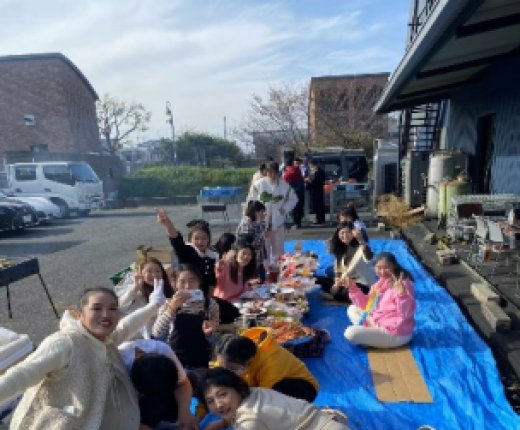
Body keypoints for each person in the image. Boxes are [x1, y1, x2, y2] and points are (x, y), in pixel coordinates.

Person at [0, 285, 165, 430]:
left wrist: (154, 305)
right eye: (97, 308)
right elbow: (23, 374)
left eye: (112, 308)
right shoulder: (65, 343)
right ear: (79, 315)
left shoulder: (105, 340)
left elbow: (126, 327)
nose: (106, 314)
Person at [199, 368, 349, 430]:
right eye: (210, 401)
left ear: (237, 389)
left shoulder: (248, 422)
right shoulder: (255, 392)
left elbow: (252, 419)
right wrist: (224, 422)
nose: (218, 405)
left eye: (222, 394)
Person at [214, 328, 318, 402]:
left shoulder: (271, 362)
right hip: (262, 382)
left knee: (265, 401)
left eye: (232, 368)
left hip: (301, 387)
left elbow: (263, 398)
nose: (226, 371)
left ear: (248, 361)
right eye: (223, 366)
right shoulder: (228, 355)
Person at [118, 339, 199, 430]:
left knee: (191, 378)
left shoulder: (162, 349)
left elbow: (183, 383)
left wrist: (185, 412)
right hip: (133, 405)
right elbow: (124, 418)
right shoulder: (119, 367)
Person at [152, 264, 219, 369]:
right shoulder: (168, 304)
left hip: (201, 360)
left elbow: (215, 337)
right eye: (182, 282)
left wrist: (210, 332)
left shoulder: (210, 304)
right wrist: (171, 310)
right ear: (175, 284)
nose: (187, 286)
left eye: (192, 281)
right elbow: (157, 333)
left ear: (199, 282)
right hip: (175, 360)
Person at [344, 252, 415, 348]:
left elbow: (406, 314)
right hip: (378, 322)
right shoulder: (381, 283)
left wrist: (402, 296)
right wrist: (353, 288)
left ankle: (370, 337)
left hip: (395, 332)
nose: (382, 271)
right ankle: (371, 336)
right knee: (352, 308)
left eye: (386, 267)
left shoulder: (403, 285)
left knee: (350, 333)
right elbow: (367, 306)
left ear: (394, 266)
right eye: (379, 267)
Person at [157, 208, 218, 297]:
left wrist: (209, 300)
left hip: (203, 297)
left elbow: (212, 281)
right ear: (190, 240)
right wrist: (168, 224)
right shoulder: (187, 251)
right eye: (196, 238)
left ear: (208, 240)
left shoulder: (212, 256)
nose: (200, 242)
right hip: (184, 295)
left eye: (204, 238)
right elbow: (176, 240)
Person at [247, 161, 298, 258]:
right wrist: (253, 215)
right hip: (261, 222)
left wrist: (284, 209)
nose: (273, 175)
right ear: (266, 172)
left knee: (278, 249)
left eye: (275, 172)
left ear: (278, 172)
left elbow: (294, 199)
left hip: (278, 222)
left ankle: (278, 265)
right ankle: (264, 266)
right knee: (263, 248)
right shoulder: (258, 185)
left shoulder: (284, 185)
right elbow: (250, 201)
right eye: (270, 172)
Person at [115, 256, 175, 338]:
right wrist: (135, 288)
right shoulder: (136, 291)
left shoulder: (167, 289)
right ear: (141, 273)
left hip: (164, 333)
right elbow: (120, 306)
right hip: (141, 337)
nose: (154, 275)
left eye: (157, 271)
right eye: (149, 271)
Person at [318, 222, 373, 302]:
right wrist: (336, 284)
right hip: (346, 281)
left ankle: (335, 297)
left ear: (353, 233)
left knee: (347, 291)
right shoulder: (342, 248)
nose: (345, 235)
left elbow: (369, 257)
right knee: (319, 279)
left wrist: (360, 239)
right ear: (338, 235)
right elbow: (338, 270)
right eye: (342, 233)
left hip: (363, 285)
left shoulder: (361, 246)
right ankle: (336, 294)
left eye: (348, 232)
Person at [214, 241, 257, 324]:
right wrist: (218, 268)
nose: (246, 256)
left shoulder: (243, 269)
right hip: (223, 306)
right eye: (244, 253)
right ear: (236, 253)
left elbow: (244, 290)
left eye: (249, 254)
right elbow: (217, 275)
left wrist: (255, 297)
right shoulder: (226, 266)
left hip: (237, 303)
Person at [236, 200, 267, 283]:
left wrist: (265, 258)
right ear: (255, 212)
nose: (264, 214)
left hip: (259, 260)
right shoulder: (246, 225)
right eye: (262, 212)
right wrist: (262, 236)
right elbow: (247, 245)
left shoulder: (259, 223)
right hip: (249, 261)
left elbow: (262, 243)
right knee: (252, 283)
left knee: (261, 282)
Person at [282, 158, 305, 229]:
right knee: (299, 208)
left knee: (295, 209)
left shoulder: (290, 171)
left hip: (295, 192)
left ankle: (296, 223)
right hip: (300, 191)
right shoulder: (297, 169)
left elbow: (283, 180)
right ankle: (298, 223)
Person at [305, 159, 326, 225]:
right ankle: (321, 218)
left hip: (316, 190)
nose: (310, 166)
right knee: (319, 204)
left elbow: (315, 182)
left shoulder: (318, 172)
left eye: (310, 165)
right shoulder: (317, 171)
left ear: (313, 165)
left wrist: (308, 181)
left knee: (318, 205)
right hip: (317, 190)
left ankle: (319, 219)